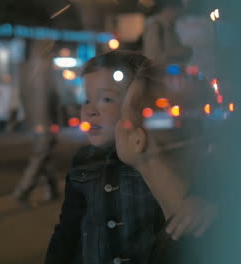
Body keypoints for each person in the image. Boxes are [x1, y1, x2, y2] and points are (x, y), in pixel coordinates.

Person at [44, 50, 216, 264]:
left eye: (106, 99)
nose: (90, 110)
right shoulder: (84, 162)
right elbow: (68, 231)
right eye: (86, 100)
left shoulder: (158, 158)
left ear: (136, 104)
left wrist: (202, 199)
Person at [13, 40, 60, 207]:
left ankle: (54, 189)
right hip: (45, 121)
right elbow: (53, 96)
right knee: (40, 156)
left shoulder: (25, 69)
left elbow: (20, 95)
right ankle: (22, 191)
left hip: (33, 122)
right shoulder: (46, 69)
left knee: (44, 153)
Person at [143, 0, 192, 66]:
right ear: (169, 9)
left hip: (171, 73)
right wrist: (175, 53)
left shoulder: (169, 28)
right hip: (160, 74)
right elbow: (152, 57)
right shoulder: (156, 28)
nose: (178, 15)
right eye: (177, 11)